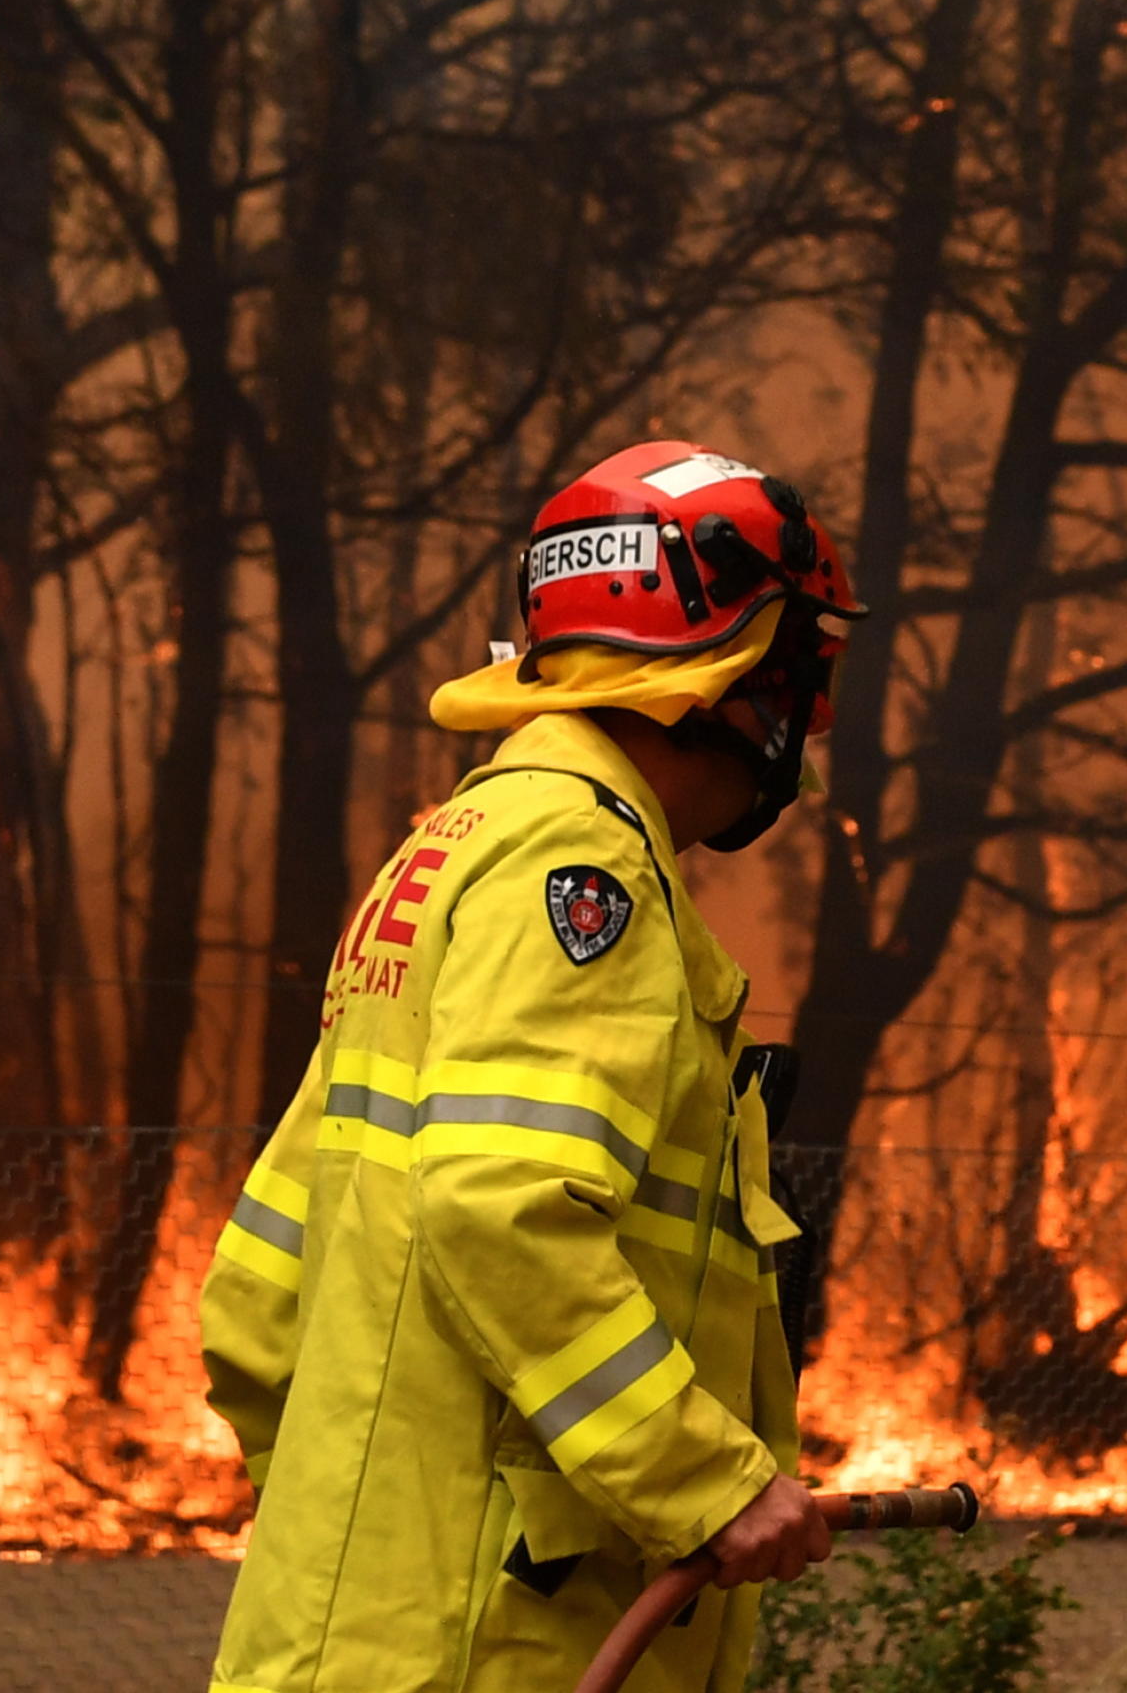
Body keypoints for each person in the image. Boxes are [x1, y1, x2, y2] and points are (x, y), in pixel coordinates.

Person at [200, 441, 867, 1693]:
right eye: (801, 671)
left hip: (341, 1633)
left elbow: (255, 1299)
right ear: (736, 672)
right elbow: (502, 1207)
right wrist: (703, 1481)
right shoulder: (586, 870)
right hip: (502, 1640)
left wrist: (356, 1522)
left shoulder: (446, 853)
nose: (808, 715)